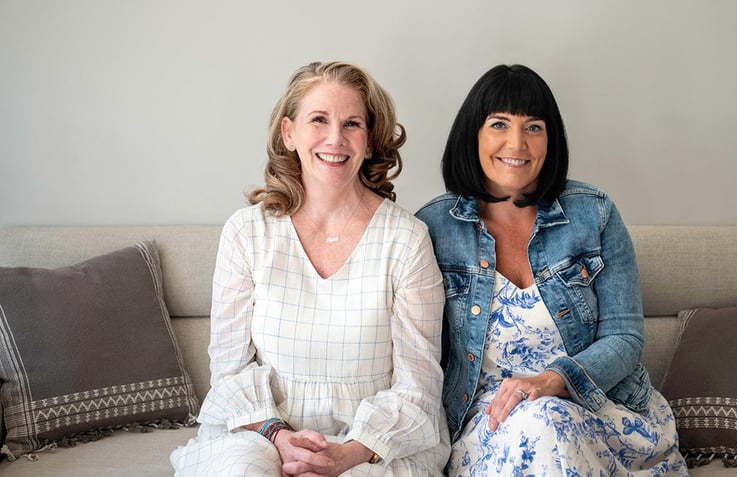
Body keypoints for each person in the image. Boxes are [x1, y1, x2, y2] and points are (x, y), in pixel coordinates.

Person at [171, 61, 450, 476]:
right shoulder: (247, 233)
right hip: (262, 432)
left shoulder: (407, 239)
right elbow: (228, 371)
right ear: (289, 133)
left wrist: (347, 454)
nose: (335, 139)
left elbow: (418, 385)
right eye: (319, 120)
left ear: (370, 141)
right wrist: (280, 437)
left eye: (352, 124)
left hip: (371, 442)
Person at [415, 64, 688, 476]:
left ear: (550, 138)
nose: (517, 143)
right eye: (499, 124)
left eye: (534, 127)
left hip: (598, 410)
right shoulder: (434, 228)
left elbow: (625, 337)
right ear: (473, 134)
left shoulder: (593, 213)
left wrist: (552, 381)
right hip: (489, 426)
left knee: (545, 420)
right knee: (539, 425)